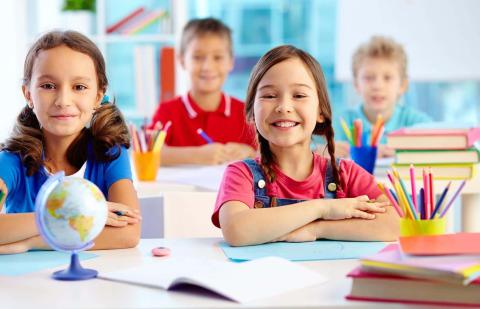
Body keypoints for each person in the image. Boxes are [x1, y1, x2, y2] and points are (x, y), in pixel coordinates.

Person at [212, 45, 399, 246]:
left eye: (299, 96)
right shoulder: (241, 174)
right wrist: (322, 209)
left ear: (321, 111)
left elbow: (397, 222)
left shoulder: (345, 174)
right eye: (269, 95)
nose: (284, 106)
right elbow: (236, 231)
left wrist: (317, 229)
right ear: (251, 112)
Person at [0, 30, 141, 254]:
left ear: (97, 96)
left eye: (79, 87)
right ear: (28, 94)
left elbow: (128, 232)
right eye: (48, 86)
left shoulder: (109, 153)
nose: (63, 101)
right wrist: (76, 216)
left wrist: (29, 243)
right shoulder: (11, 160)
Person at [149, 17, 256, 165]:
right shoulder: (167, 112)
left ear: (231, 62)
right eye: (197, 57)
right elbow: (148, 153)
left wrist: (249, 152)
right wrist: (198, 156)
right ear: (182, 60)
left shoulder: (246, 114)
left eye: (217, 57)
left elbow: (271, 154)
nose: (207, 67)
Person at [330, 36, 431, 158]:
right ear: (356, 84)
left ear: (403, 85)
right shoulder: (338, 123)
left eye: (387, 78)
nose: (378, 86)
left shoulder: (418, 124)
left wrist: (404, 154)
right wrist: (324, 152)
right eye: (368, 78)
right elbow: (310, 152)